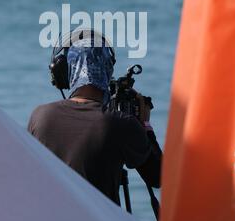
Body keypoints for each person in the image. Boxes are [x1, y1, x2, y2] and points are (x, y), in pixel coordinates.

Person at [28, 30, 162, 207]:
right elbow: (159, 177)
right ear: (107, 70)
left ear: (65, 72)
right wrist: (145, 125)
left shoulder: (40, 116)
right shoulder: (121, 124)